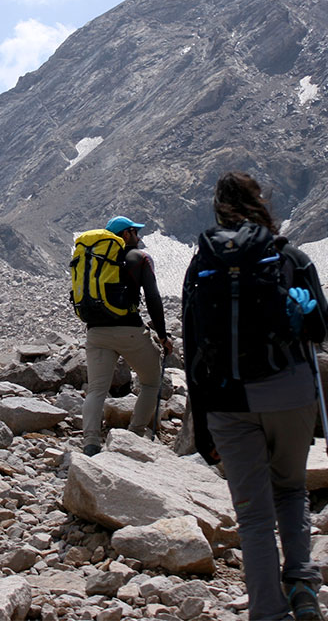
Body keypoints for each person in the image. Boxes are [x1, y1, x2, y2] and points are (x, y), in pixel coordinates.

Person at [183, 171, 326, 621]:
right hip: (291, 394)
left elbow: (192, 348)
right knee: (291, 489)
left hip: (226, 402)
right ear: (260, 202)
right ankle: (302, 585)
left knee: (253, 515)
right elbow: (321, 329)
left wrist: (200, 423)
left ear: (217, 208)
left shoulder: (201, 263)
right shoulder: (291, 257)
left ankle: (267, 610)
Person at [82, 215, 173, 456]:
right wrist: (163, 336)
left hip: (96, 332)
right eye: (135, 231)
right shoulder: (139, 258)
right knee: (151, 381)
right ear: (125, 235)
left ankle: (90, 443)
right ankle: (134, 435)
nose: (139, 236)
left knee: (96, 390)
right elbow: (153, 298)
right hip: (129, 330)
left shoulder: (95, 260)